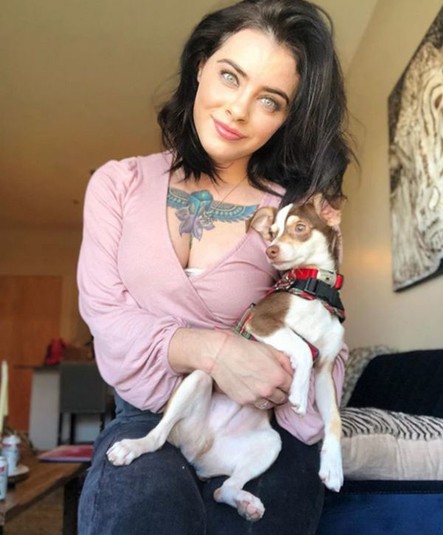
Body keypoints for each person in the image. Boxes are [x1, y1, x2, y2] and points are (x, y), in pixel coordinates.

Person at [77, 0, 352, 533]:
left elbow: (325, 338)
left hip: (259, 424)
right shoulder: (118, 183)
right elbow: (106, 317)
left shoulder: (290, 216)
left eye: (269, 100)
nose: (238, 110)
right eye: (230, 75)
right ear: (201, 65)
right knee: (141, 509)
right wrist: (217, 351)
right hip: (149, 417)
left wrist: (285, 381)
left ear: (286, 118)